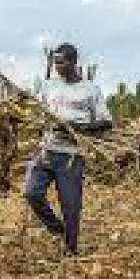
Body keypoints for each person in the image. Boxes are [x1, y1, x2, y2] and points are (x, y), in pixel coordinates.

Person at [24, 43, 112, 255]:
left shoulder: (90, 89)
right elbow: (37, 114)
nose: (57, 66)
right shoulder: (48, 86)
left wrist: (76, 128)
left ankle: (70, 249)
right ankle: (57, 229)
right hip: (45, 151)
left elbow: (106, 122)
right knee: (31, 193)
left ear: (73, 62)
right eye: (55, 62)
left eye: (61, 62)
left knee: (71, 207)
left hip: (71, 156)